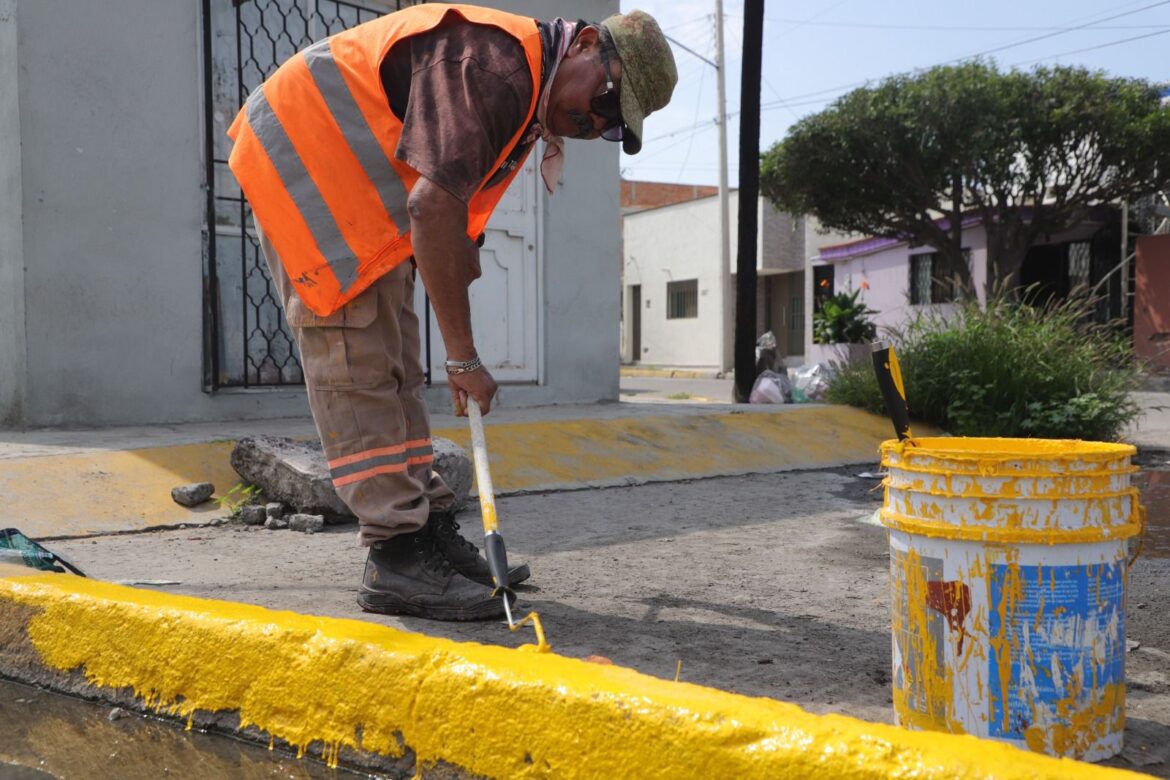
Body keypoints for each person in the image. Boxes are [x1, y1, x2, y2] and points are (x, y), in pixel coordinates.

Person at [227, 4, 677, 621]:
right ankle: (397, 554)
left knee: (398, 365)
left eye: (608, 127)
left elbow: (448, 218)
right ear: (588, 45)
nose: (593, 121)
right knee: (355, 359)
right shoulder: (495, 69)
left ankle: (427, 529)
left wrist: (457, 276)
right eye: (604, 102)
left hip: (359, 185)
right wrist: (464, 358)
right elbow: (432, 210)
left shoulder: (529, 88)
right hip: (307, 162)